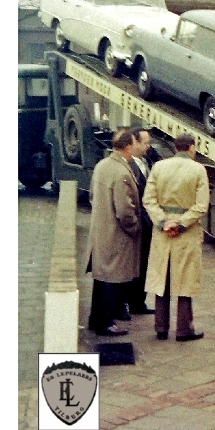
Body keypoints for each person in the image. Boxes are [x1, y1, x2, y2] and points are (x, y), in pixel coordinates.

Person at [143, 133, 210, 341]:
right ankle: (184, 329)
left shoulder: (159, 167)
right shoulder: (198, 169)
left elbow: (149, 200)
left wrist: (163, 222)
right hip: (186, 231)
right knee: (185, 280)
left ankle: (160, 328)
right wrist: (180, 224)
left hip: (162, 231)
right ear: (191, 147)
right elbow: (201, 206)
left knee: (162, 277)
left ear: (174, 147)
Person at [86, 128, 141, 336]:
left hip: (102, 232)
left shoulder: (102, 166)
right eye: (135, 143)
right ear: (128, 146)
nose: (137, 146)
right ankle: (106, 323)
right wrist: (135, 229)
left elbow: (92, 196)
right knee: (114, 280)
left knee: (101, 279)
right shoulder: (121, 172)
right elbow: (125, 211)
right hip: (118, 236)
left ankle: (96, 319)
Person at [126, 127, 160, 314]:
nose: (148, 147)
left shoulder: (145, 162)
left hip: (147, 223)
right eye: (146, 143)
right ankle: (131, 301)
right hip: (139, 222)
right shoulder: (130, 165)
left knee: (144, 263)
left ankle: (138, 301)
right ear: (135, 142)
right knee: (135, 264)